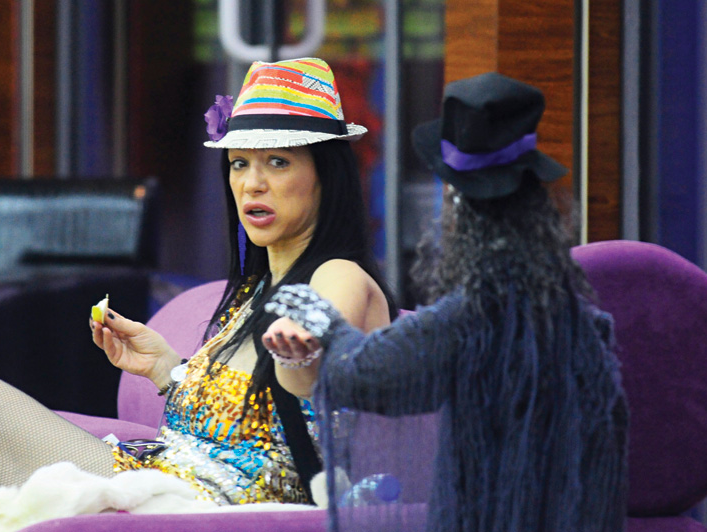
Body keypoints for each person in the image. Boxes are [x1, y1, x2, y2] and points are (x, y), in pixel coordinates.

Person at [0, 57, 395, 532]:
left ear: (325, 175)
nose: (252, 183)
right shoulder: (257, 289)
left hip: (202, 508)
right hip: (165, 481)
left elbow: (311, 354)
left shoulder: (338, 274)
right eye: (239, 163)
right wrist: (167, 370)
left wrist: (302, 345)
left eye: (278, 162)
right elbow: (249, 419)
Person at [263, 73, 628, 532]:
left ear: (458, 200)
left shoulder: (471, 316)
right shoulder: (578, 320)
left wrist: (328, 326)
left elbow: (368, 375)